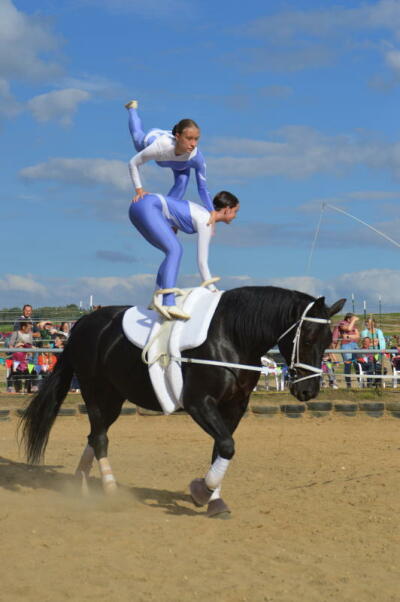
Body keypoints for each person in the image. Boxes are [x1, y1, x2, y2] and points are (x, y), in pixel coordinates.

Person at [129, 190, 239, 320]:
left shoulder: (203, 213)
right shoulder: (206, 220)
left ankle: (156, 299)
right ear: (227, 210)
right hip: (147, 206)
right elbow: (202, 262)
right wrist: (212, 288)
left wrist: (170, 223)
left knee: (170, 252)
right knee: (175, 250)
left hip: (137, 208)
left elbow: (173, 211)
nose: (235, 216)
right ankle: (168, 303)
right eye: (235, 211)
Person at [126, 100, 214, 214]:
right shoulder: (159, 146)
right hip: (154, 138)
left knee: (182, 181)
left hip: (178, 162)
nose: (194, 144)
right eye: (189, 138)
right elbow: (133, 163)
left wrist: (212, 211)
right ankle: (132, 108)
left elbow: (202, 188)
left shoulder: (196, 158)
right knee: (137, 136)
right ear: (177, 136)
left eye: (196, 139)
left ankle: (167, 215)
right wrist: (139, 190)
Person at [332, 313, 360, 389]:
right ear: (348, 319)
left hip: (354, 345)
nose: (355, 319)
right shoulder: (342, 323)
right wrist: (353, 320)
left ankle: (360, 383)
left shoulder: (353, 325)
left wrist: (348, 336)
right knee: (348, 365)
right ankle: (348, 385)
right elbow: (348, 329)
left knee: (357, 364)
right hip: (346, 345)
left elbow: (358, 336)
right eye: (353, 318)